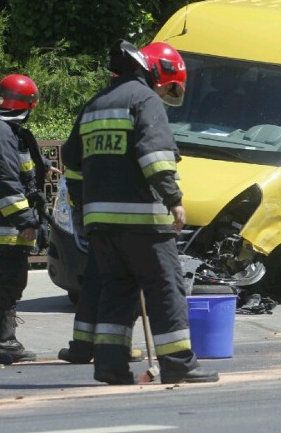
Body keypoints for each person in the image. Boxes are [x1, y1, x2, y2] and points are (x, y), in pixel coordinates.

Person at [61, 39, 219, 385]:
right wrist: (173, 198)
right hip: (144, 222)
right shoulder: (145, 100)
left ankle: (110, 365)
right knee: (165, 290)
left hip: (102, 224)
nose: (167, 93)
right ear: (159, 74)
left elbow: (71, 162)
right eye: (169, 86)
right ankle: (177, 362)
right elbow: (154, 155)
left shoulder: (95, 104)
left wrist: (83, 205)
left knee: (117, 291)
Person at [0, 74, 58, 364]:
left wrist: (44, 167)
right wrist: (26, 219)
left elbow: (14, 163)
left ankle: (6, 341)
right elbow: (5, 180)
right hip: (6, 225)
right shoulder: (3, 133)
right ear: (26, 106)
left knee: (10, 282)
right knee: (9, 284)